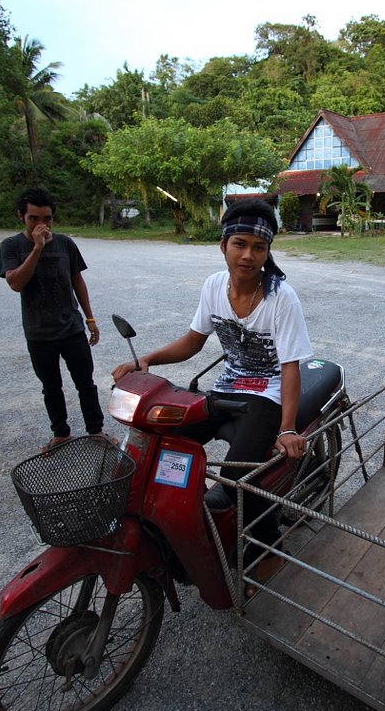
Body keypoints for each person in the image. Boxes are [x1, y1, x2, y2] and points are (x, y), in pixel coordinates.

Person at [111, 198, 313, 586]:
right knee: (163, 439)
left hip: (265, 397)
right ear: (223, 246)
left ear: (268, 251)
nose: (248, 255)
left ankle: (269, 546)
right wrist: (147, 360)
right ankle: (183, 519)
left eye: (259, 247)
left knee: (242, 473)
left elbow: (289, 368)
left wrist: (287, 428)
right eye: (240, 244)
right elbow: (193, 341)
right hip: (226, 388)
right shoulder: (213, 286)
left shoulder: (281, 297)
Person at [0, 187, 106, 450]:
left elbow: (77, 280)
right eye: (33, 218)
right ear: (21, 217)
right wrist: (37, 249)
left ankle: (96, 430)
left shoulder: (65, 244)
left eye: (46, 219)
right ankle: (61, 433)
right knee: (51, 387)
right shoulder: (11, 246)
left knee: (86, 383)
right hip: (39, 333)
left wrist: (90, 319)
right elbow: (15, 283)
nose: (41, 224)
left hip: (71, 328)